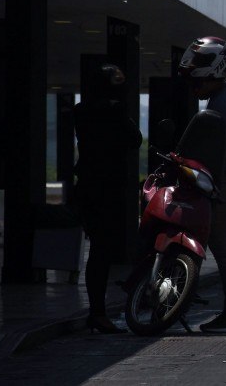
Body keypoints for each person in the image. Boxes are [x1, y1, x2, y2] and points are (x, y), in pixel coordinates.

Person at [178, 36, 226, 334]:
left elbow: (210, 147)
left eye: (198, 83)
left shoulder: (221, 103)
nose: (195, 89)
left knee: (223, 247)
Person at [74, 63, 142, 334]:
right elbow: (134, 139)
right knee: (103, 253)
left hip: (88, 188)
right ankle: (98, 313)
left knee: (98, 253)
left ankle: (97, 310)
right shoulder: (115, 112)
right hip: (108, 189)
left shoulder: (81, 111)